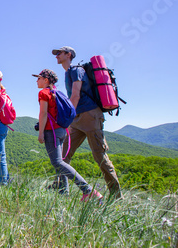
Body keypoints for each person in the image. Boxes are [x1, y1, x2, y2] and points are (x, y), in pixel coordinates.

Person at [53, 46, 122, 199]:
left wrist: (67, 117)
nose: (56, 56)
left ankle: (116, 196)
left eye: (59, 53)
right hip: (78, 118)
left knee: (100, 156)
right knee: (63, 155)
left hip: (90, 116)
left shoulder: (76, 70)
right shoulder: (68, 72)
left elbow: (76, 95)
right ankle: (60, 188)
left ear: (68, 55)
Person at [33, 69, 102, 200]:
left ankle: (88, 190)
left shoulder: (44, 93)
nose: (37, 80)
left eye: (39, 78)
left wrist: (41, 133)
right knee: (61, 162)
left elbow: (43, 114)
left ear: (46, 80)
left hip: (51, 131)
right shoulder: (58, 93)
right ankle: (64, 191)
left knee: (58, 162)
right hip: (62, 131)